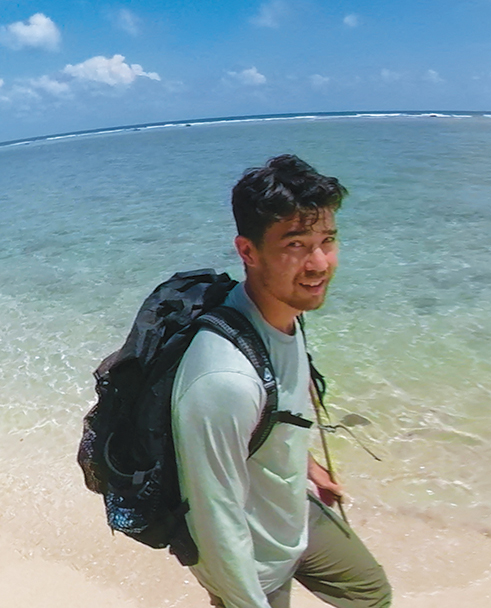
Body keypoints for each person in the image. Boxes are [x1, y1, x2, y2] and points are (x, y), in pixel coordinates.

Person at [171, 154, 392, 608]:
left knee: (369, 592)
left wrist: (310, 470)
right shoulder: (223, 380)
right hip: (253, 560)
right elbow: (214, 523)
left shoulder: (281, 311)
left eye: (327, 240)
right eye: (295, 245)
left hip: (293, 512)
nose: (318, 263)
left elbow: (273, 414)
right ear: (248, 252)